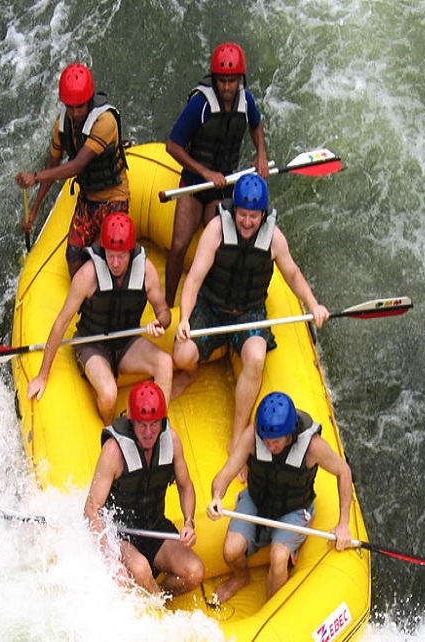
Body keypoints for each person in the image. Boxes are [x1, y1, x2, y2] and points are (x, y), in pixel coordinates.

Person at [173, 174, 329, 453]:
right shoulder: (216, 230)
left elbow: (292, 274)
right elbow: (194, 278)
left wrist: (313, 304)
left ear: (263, 214)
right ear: (234, 210)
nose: (247, 222)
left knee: (256, 359)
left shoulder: (274, 239)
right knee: (182, 356)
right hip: (211, 307)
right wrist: (184, 318)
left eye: (253, 216)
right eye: (243, 214)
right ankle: (191, 373)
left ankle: (237, 436)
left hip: (249, 312)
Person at [206, 392, 354, 603]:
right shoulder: (253, 436)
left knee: (278, 557)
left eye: (275, 442)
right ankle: (241, 578)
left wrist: (344, 523)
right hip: (258, 500)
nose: (268, 446)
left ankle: (271, 608)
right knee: (230, 551)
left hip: (294, 508)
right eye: (265, 440)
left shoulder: (313, 446)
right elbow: (226, 473)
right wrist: (216, 496)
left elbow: (344, 471)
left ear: (289, 434)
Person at [26, 213, 172, 425]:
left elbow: (164, 312)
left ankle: (157, 428)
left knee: (165, 363)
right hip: (92, 344)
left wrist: (161, 322)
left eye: (121, 256)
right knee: (108, 393)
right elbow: (61, 322)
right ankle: (109, 426)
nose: (114, 263)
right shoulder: (88, 275)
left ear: (131, 252)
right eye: (110, 255)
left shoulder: (146, 271)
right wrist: (42, 375)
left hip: (127, 343)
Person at [164, 42, 270, 307]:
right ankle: (166, 305)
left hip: (223, 186)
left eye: (232, 81)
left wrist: (261, 154)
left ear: (240, 80)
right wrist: (205, 171)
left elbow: (256, 125)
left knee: (219, 249)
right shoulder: (200, 104)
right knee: (179, 245)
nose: (226, 87)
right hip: (193, 183)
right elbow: (172, 145)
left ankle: (208, 302)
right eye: (222, 80)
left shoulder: (247, 102)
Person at [84, 381, 204, 597]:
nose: (148, 433)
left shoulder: (172, 440)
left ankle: (157, 598)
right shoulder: (114, 451)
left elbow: (185, 486)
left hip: (154, 526)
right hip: (120, 533)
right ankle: (159, 609)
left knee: (194, 572)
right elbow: (91, 508)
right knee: (140, 568)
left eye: (154, 424)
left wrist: (189, 522)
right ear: (131, 421)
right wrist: (110, 555)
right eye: (141, 425)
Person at [15, 62, 128, 276]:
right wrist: (35, 210)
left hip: (115, 196)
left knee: (112, 256)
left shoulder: (105, 122)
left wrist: (35, 177)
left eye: (80, 107)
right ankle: (86, 302)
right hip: (87, 199)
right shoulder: (62, 125)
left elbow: (77, 165)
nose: (75, 113)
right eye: (70, 107)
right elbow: (53, 164)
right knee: (73, 256)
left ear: (89, 101)